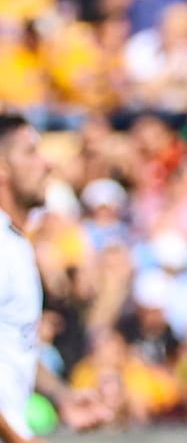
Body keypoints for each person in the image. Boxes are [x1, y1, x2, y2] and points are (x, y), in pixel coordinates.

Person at [0, 114, 113, 443]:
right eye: (30, 152)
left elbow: (13, 345)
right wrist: (15, 438)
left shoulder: (17, 245)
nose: (47, 164)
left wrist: (62, 396)